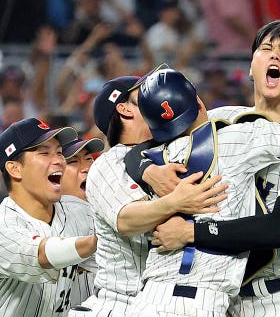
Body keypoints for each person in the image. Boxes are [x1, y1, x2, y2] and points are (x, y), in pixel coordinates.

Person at [139, 20, 280, 316]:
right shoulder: (222, 120)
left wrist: (191, 232)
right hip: (229, 299)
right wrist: (147, 168)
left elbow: (279, 229)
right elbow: (143, 146)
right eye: (265, 49)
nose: (274, 56)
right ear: (251, 67)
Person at [69, 74, 228, 316]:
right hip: (119, 303)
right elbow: (126, 219)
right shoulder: (110, 163)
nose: (153, 95)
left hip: (168, 302)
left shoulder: (171, 149)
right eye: (142, 93)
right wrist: (175, 201)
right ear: (124, 109)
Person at [0, 117, 96, 316]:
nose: (58, 161)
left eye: (60, 153)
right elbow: (42, 255)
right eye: (45, 153)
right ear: (15, 168)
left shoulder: (77, 211)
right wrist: (94, 242)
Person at [59, 137, 105, 306]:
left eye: (89, 159)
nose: (87, 168)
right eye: (73, 162)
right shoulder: (61, 213)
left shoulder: (104, 207)